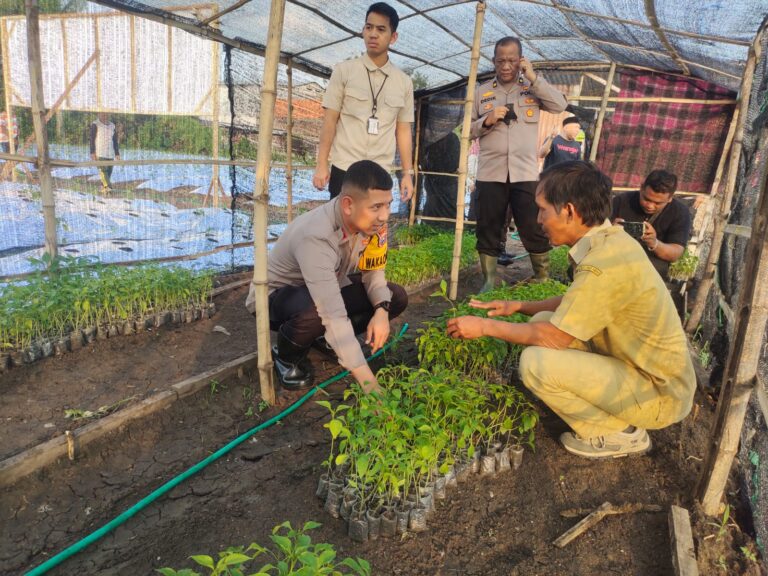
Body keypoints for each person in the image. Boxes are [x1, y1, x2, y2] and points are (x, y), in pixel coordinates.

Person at [446, 161, 695, 459]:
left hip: (658, 393)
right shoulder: (607, 241)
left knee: (536, 363)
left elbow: (556, 337)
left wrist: (484, 327)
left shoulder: (603, 264)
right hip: (640, 370)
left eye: (542, 209)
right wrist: (518, 306)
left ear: (569, 211)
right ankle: (612, 417)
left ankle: (617, 433)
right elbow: (576, 302)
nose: (538, 219)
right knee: (541, 318)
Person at [247, 160, 408, 394]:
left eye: (388, 205)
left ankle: (324, 340)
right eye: (376, 207)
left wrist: (382, 310)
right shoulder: (317, 236)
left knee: (395, 296)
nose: (384, 216)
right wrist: (371, 388)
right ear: (348, 205)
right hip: (276, 300)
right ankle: (285, 357)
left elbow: (373, 272)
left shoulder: (373, 226)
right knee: (317, 312)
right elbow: (331, 312)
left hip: (322, 290)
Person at [471, 37, 567, 292]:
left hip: (525, 172)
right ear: (493, 61)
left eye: (512, 60)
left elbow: (560, 105)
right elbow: (466, 131)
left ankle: (542, 277)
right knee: (488, 225)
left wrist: (533, 77)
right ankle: (489, 280)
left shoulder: (531, 88)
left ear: (521, 60)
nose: (505, 66)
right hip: (490, 173)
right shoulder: (480, 91)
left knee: (532, 224)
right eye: (501, 60)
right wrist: (487, 121)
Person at [312, 2, 414, 203]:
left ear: (393, 37)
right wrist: (321, 163)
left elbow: (403, 130)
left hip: (380, 172)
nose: (373, 34)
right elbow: (330, 121)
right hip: (344, 169)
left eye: (381, 29)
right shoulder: (344, 71)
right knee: (341, 231)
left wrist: (407, 174)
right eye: (369, 27)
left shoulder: (404, 82)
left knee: (374, 231)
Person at [611, 169, 691, 280]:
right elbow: (595, 232)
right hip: (615, 261)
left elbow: (676, 253)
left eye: (658, 203)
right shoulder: (621, 200)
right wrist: (609, 230)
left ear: (670, 198)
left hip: (650, 271)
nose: (650, 206)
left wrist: (654, 243)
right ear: (641, 188)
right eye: (646, 199)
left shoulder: (680, 212)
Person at [90, 112, 120, 194]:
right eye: (103, 114)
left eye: (106, 114)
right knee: (103, 172)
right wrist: (92, 152)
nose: (105, 116)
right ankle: (108, 188)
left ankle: (103, 188)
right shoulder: (95, 124)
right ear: (99, 114)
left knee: (108, 173)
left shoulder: (112, 126)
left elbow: (115, 141)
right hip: (99, 153)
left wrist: (117, 153)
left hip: (110, 153)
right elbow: (92, 139)